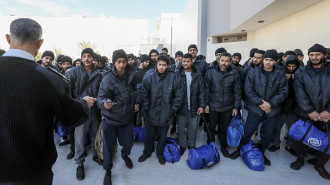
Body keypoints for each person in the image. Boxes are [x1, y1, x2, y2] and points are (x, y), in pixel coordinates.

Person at [0, 18, 89, 185]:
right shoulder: (47, 78)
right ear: (40, 43)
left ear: (8, 38)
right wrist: (85, 103)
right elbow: (73, 118)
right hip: (32, 173)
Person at [230, 49, 288, 167]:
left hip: (272, 110)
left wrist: (270, 104)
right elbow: (248, 90)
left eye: (271, 60)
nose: (268, 62)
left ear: (275, 61)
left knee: (267, 135)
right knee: (248, 132)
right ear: (263, 60)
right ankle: (240, 150)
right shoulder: (254, 72)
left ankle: (261, 152)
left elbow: (283, 92)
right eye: (266, 59)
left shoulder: (280, 74)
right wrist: (261, 103)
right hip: (255, 109)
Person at [290, 44, 330, 180]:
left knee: (326, 140)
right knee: (302, 138)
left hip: (326, 115)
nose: (314, 57)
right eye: (312, 54)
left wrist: (328, 111)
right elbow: (299, 93)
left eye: (318, 54)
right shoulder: (301, 72)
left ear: (324, 55)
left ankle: (320, 164)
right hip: (306, 113)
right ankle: (300, 159)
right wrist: (310, 111)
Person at [98, 49, 138, 185]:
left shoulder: (132, 74)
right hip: (110, 119)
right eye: (118, 61)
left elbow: (137, 90)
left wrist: (136, 102)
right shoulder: (107, 78)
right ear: (114, 63)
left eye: (124, 61)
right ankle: (108, 171)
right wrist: (105, 103)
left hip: (126, 118)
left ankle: (125, 155)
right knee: (108, 148)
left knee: (128, 143)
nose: (121, 64)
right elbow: (101, 97)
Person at [138, 55, 184, 165]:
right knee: (149, 135)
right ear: (156, 65)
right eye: (159, 64)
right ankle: (147, 152)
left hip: (166, 114)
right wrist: (147, 108)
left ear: (168, 66)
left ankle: (159, 153)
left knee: (162, 136)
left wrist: (173, 109)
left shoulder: (174, 77)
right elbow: (143, 94)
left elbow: (179, 95)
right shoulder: (149, 76)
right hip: (151, 113)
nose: (161, 67)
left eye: (164, 65)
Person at [65, 48, 103, 181]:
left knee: (95, 136)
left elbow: (103, 91)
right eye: (84, 56)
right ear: (81, 58)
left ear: (93, 58)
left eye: (89, 56)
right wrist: (81, 102)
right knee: (80, 138)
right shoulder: (73, 73)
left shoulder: (99, 73)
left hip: (95, 111)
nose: (87, 58)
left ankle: (96, 155)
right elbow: (67, 94)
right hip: (80, 111)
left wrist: (99, 99)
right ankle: (80, 164)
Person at [204, 52, 241, 157]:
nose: (224, 63)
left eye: (227, 61)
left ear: (230, 62)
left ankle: (223, 146)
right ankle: (211, 145)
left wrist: (236, 107)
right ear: (218, 60)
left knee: (224, 128)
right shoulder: (210, 72)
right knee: (211, 127)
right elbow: (206, 90)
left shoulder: (234, 73)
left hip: (228, 107)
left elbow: (237, 92)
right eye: (222, 60)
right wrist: (206, 104)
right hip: (213, 106)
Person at [268, 55, 300, 154]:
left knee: (292, 128)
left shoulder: (301, 74)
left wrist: (296, 80)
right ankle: (276, 143)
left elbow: (302, 92)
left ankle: (290, 146)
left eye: (293, 67)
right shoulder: (280, 73)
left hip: (294, 106)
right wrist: (284, 80)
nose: (291, 68)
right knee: (277, 126)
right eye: (289, 66)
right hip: (281, 105)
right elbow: (274, 89)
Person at [175, 53, 206, 155]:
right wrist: (174, 107)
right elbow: (173, 92)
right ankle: (183, 145)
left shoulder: (197, 74)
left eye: (188, 61)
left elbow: (202, 91)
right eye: (184, 61)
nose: (185, 63)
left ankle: (191, 145)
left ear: (192, 62)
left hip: (195, 107)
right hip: (181, 107)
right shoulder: (177, 74)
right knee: (181, 128)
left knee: (193, 128)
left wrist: (202, 106)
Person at [129, 54, 150, 126]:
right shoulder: (135, 70)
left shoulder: (148, 71)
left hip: (145, 97)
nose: (148, 64)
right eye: (146, 62)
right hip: (136, 98)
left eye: (148, 62)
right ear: (142, 62)